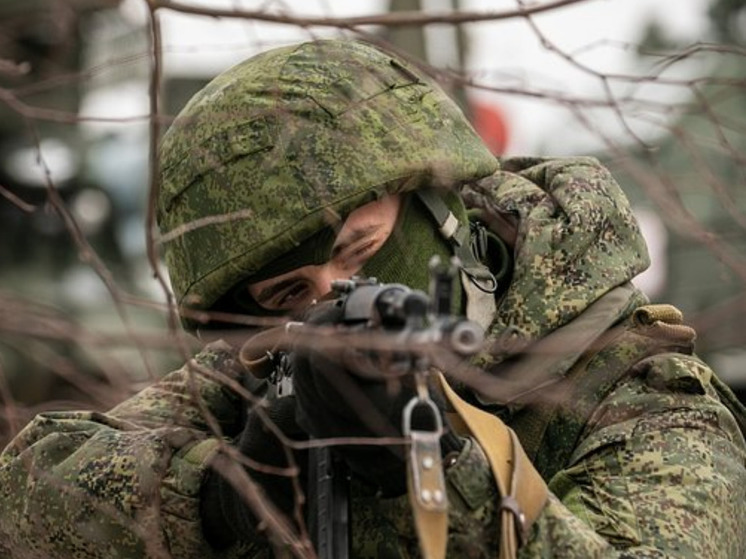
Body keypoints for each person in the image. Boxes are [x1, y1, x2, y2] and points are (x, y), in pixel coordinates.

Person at [1, 38, 745, 559]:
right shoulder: (263, 380)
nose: (337, 300)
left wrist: (434, 469)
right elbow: (26, 502)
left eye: (359, 250)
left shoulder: (641, 398)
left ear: (444, 209)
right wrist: (233, 490)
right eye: (292, 292)